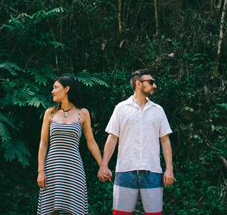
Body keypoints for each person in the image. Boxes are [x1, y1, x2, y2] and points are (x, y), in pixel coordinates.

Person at [97, 69, 174, 215]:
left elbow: (165, 140)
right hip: (125, 170)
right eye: (151, 82)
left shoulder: (158, 110)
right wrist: (104, 165)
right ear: (138, 84)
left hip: (152, 171)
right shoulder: (121, 108)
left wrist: (169, 169)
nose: (155, 85)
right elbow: (112, 137)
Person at [37, 75, 106, 215]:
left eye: (56, 88)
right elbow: (43, 144)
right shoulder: (50, 113)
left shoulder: (82, 113)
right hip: (52, 167)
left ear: (67, 89)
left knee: (73, 209)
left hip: (73, 168)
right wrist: (40, 171)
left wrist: (102, 166)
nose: (52, 91)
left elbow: (91, 143)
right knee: (51, 210)